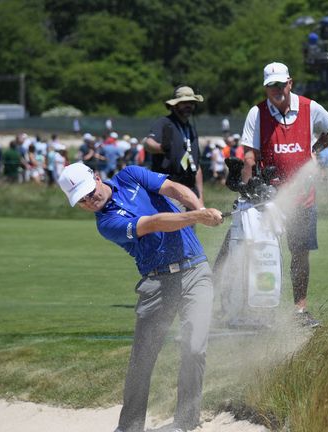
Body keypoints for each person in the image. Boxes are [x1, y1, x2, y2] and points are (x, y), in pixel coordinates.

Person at [56, 162, 223, 432]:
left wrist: (199, 209)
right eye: (81, 200)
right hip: (156, 282)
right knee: (142, 359)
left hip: (195, 271)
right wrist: (197, 218)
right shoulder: (106, 224)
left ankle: (186, 422)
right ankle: (130, 427)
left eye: (89, 192)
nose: (89, 201)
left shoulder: (131, 175)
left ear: (97, 178)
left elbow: (173, 188)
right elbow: (154, 223)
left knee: (194, 347)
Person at [240, 61, 328, 327]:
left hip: (302, 197)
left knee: (300, 253)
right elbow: (249, 155)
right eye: (271, 85)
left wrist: (314, 150)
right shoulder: (257, 113)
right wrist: (247, 192)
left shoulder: (309, 107)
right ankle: (260, 311)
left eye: (281, 84)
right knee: (263, 253)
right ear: (266, 88)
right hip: (268, 199)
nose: (277, 89)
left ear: (290, 83)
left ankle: (300, 310)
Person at [144, 86, 205, 207]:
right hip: (170, 190)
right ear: (175, 105)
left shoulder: (191, 129)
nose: (188, 106)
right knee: (174, 225)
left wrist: (200, 197)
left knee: (189, 226)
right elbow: (148, 143)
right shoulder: (164, 123)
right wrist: (161, 148)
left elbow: (196, 166)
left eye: (191, 103)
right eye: (184, 103)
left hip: (190, 191)